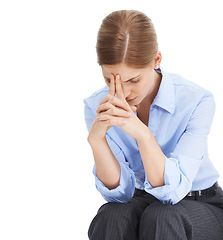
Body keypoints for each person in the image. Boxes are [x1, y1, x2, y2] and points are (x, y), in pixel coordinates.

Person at [83, 9, 223, 240]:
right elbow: (119, 195)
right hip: (142, 201)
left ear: (156, 60)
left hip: (200, 202)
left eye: (133, 80)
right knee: (112, 215)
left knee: (163, 216)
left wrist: (143, 135)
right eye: (110, 79)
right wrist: (97, 141)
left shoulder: (196, 100)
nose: (122, 92)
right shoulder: (95, 106)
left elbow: (172, 193)